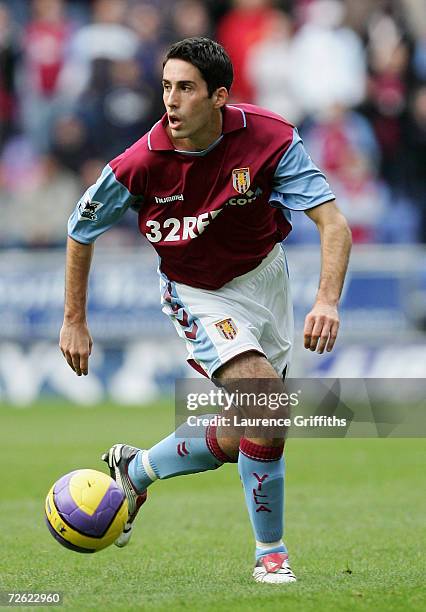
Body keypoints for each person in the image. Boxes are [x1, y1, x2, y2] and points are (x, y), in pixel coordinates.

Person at [59, 37, 352, 584]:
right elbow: (80, 233)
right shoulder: (138, 164)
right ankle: (271, 554)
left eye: (186, 88)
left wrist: (327, 300)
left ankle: (138, 468)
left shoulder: (271, 138)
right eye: (166, 86)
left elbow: (332, 223)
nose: (171, 100)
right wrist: (74, 319)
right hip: (195, 291)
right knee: (265, 402)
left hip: (268, 280)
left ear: (219, 97)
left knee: (256, 424)